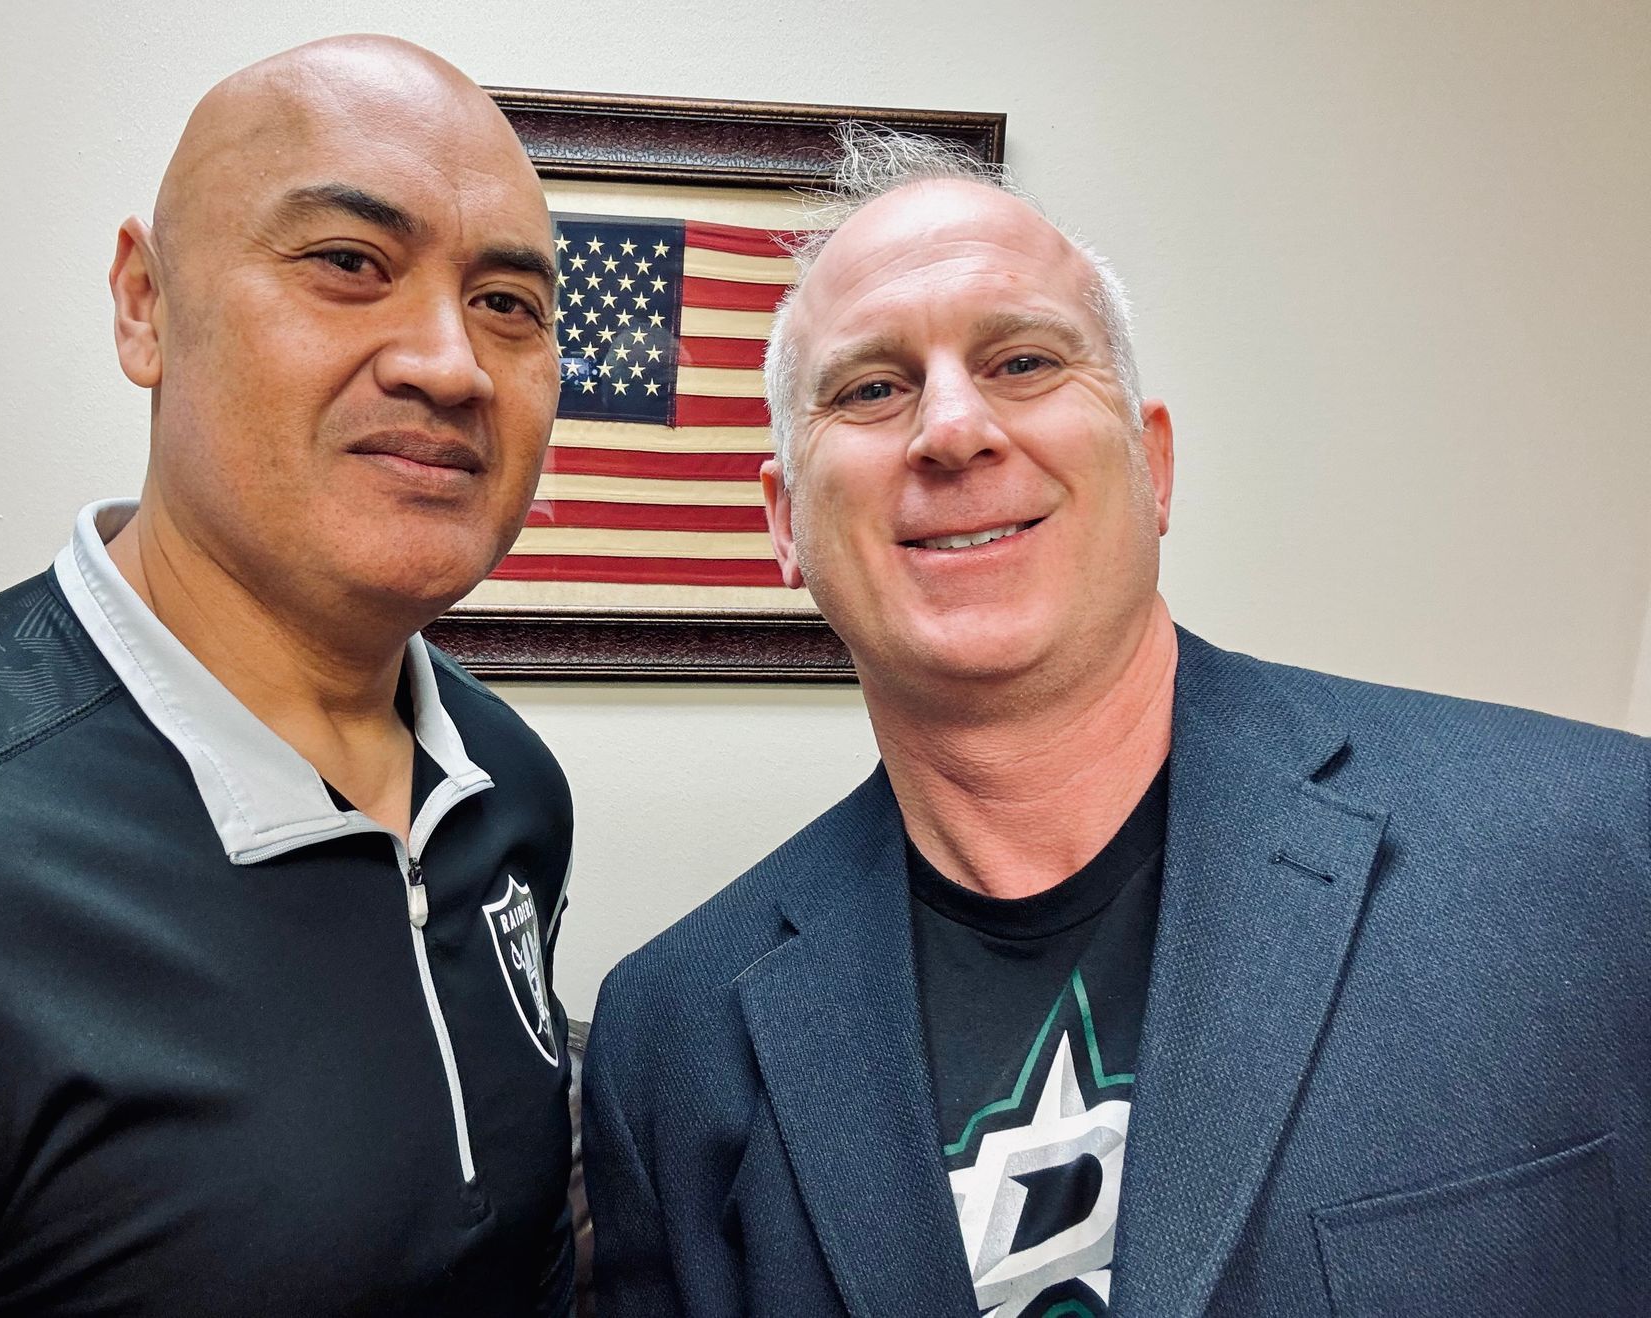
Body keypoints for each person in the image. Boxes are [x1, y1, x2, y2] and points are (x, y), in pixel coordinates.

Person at [582, 126, 1650, 1318]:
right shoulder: (673, 1038)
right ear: (785, 523)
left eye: (1026, 362)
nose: (951, 428)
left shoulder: (1599, 856)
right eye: (873, 387)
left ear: (1154, 467)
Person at [0, 36, 579, 1316]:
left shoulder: (509, 787)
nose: (450, 363)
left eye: (508, 303)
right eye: (349, 264)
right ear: (144, 305)